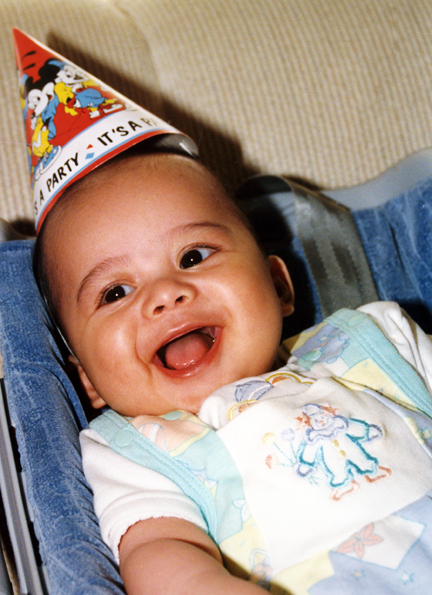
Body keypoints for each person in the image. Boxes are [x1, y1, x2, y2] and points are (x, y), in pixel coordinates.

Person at [33, 147, 432, 595]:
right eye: (116, 292)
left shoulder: (377, 339)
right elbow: (160, 554)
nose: (166, 293)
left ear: (279, 285)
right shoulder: (135, 451)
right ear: (87, 378)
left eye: (193, 256)